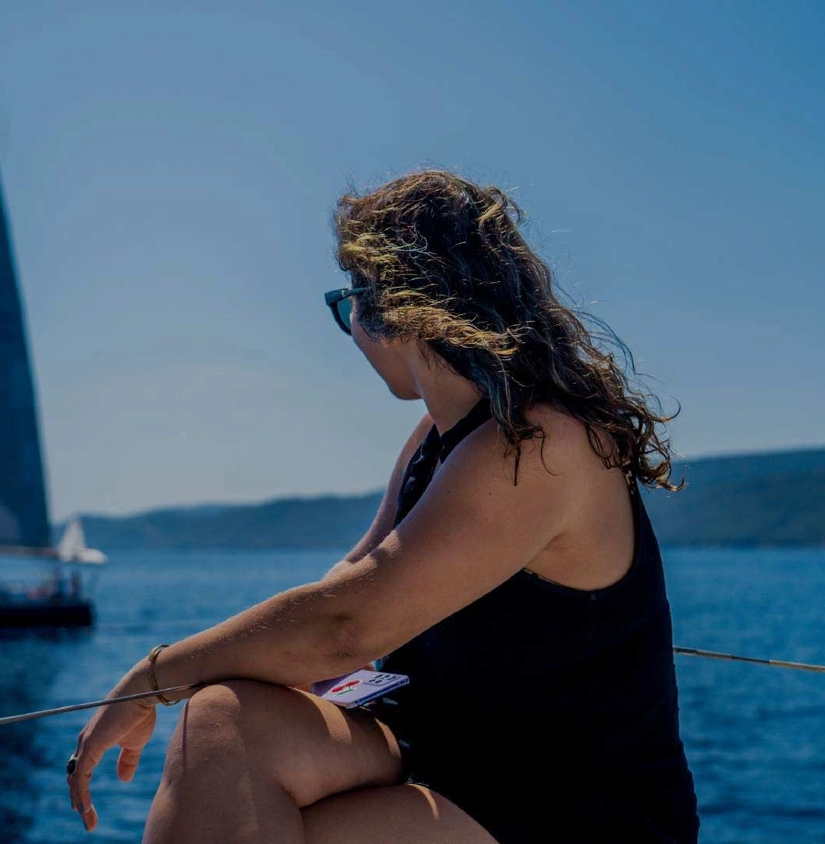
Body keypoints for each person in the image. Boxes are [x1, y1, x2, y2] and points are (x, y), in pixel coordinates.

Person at [67, 170, 699, 843]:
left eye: (351, 306)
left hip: (571, 796)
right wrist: (269, 665)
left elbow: (348, 624)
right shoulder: (438, 437)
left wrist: (153, 676)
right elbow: (351, 582)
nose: (354, 333)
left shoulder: (540, 442)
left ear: (398, 309)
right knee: (221, 723)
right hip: (443, 737)